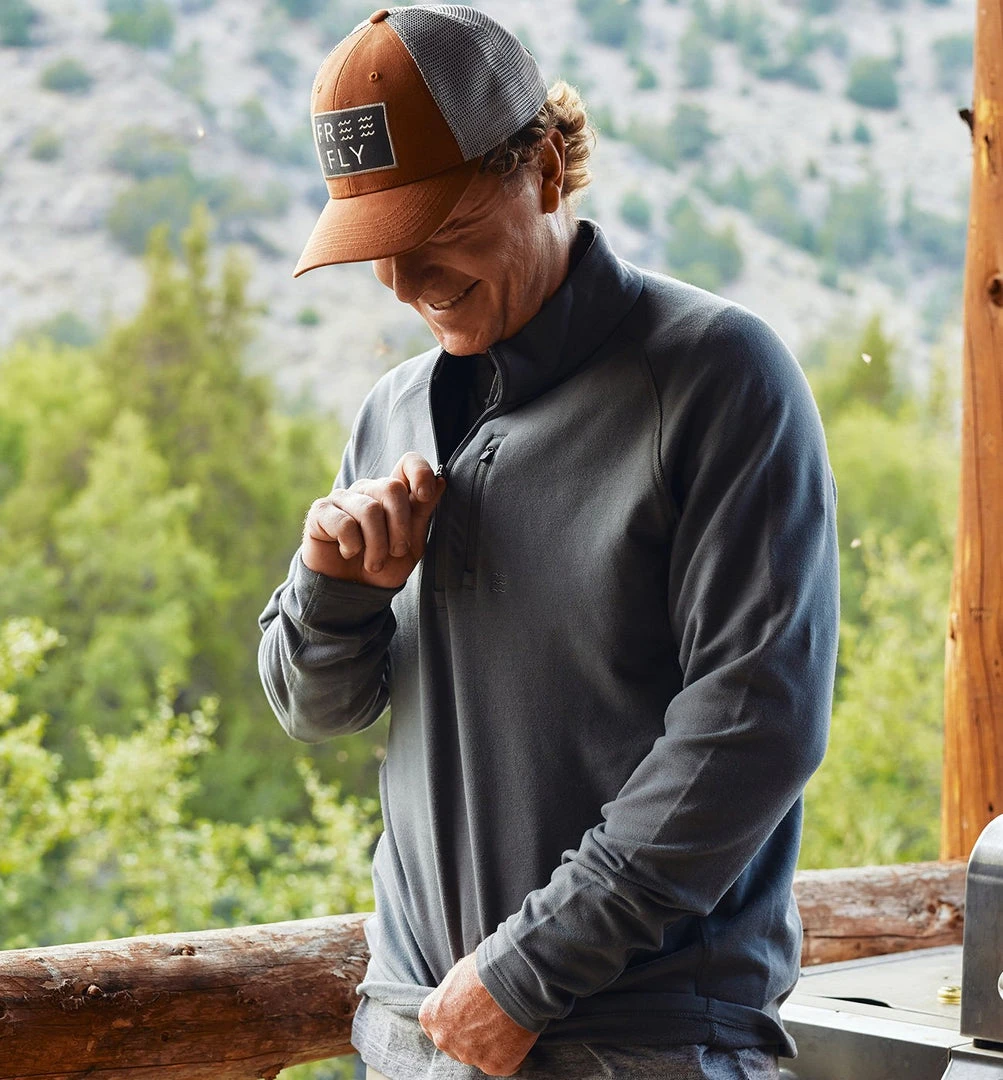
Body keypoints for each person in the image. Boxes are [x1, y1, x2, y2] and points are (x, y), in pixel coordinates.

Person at [259, 7, 840, 1079]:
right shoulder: (393, 410)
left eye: (435, 228)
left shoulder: (717, 376)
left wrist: (527, 972)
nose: (402, 280)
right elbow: (315, 709)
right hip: (414, 1035)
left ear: (543, 168)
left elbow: (755, 721)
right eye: (377, 243)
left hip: (642, 1047)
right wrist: (332, 590)